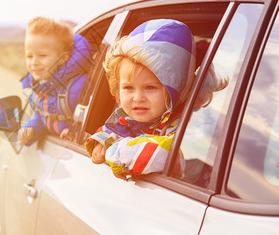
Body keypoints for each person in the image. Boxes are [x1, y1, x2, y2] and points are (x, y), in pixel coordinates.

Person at [85, 19, 226, 180]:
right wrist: (101, 142)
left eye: (150, 88)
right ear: (118, 90)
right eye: (128, 88)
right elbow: (113, 131)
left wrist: (118, 153)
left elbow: (169, 155)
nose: (138, 98)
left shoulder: (186, 126)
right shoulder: (127, 119)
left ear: (174, 90)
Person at [18, 16, 92, 146]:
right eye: (29, 56)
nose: (34, 62)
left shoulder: (79, 87)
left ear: (63, 59)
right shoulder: (39, 89)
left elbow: (93, 120)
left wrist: (73, 132)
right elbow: (43, 118)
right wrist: (31, 129)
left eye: (42, 55)